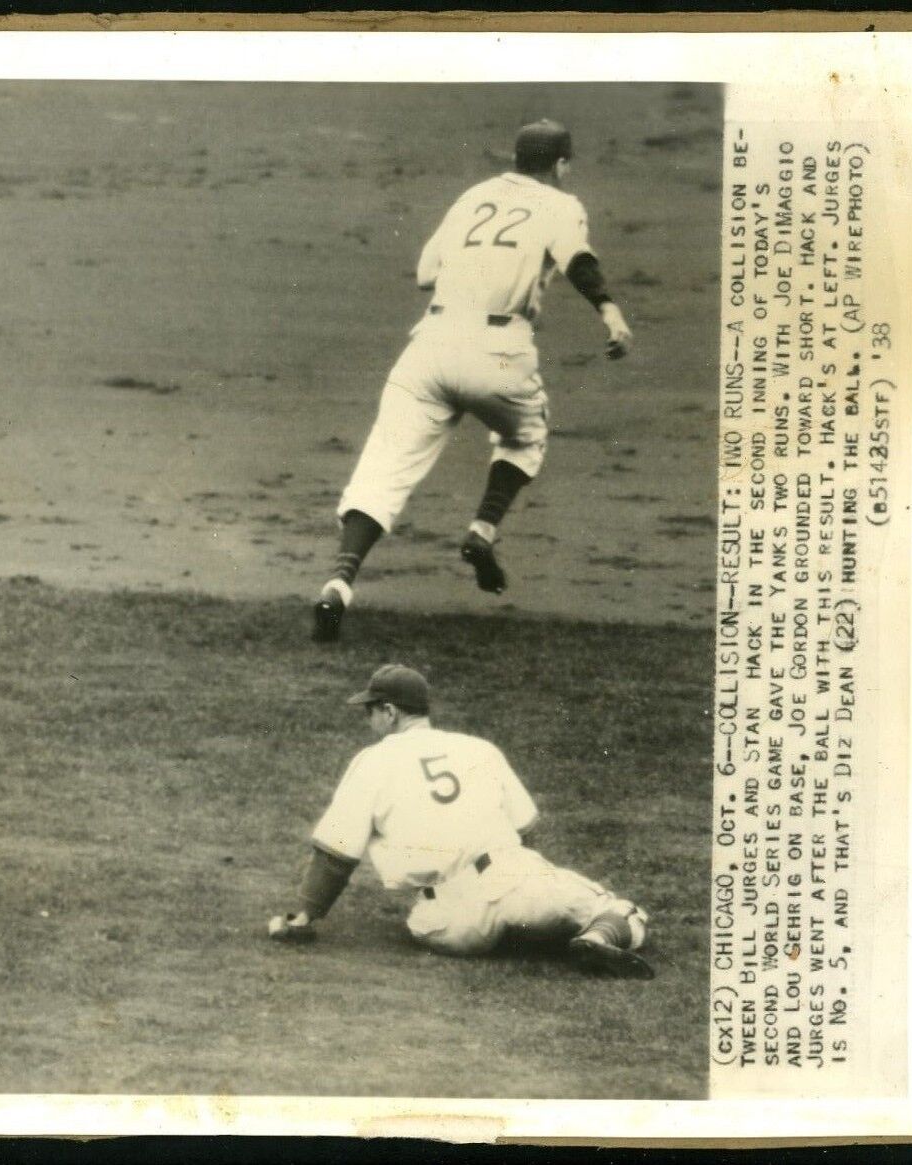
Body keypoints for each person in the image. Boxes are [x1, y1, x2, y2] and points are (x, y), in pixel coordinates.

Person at [312, 119, 633, 642]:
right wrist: (610, 312)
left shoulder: (472, 197)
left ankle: (338, 584)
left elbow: (424, 273)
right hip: (501, 354)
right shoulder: (562, 203)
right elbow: (578, 259)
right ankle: (482, 529)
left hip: (431, 345)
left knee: (381, 472)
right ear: (561, 166)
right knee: (526, 435)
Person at [266, 665, 654, 979]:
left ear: (390, 712)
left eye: (370, 709)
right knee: (622, 911)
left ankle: (523, 932)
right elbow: (527, 829)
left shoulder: (372, 761)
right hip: (512, 879)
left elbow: (336, 853)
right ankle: (593, 935)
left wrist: (303, 917)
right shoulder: (479, 749)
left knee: (462, 913)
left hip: (446, 920)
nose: (368, 719)